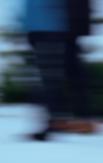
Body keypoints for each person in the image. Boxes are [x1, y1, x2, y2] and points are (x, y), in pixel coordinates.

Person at [22, 0, 96, 140]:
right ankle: (67, 120)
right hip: (41, 29)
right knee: (54, 76)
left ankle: (62, 120)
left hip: (51, 28)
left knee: (51, 77)